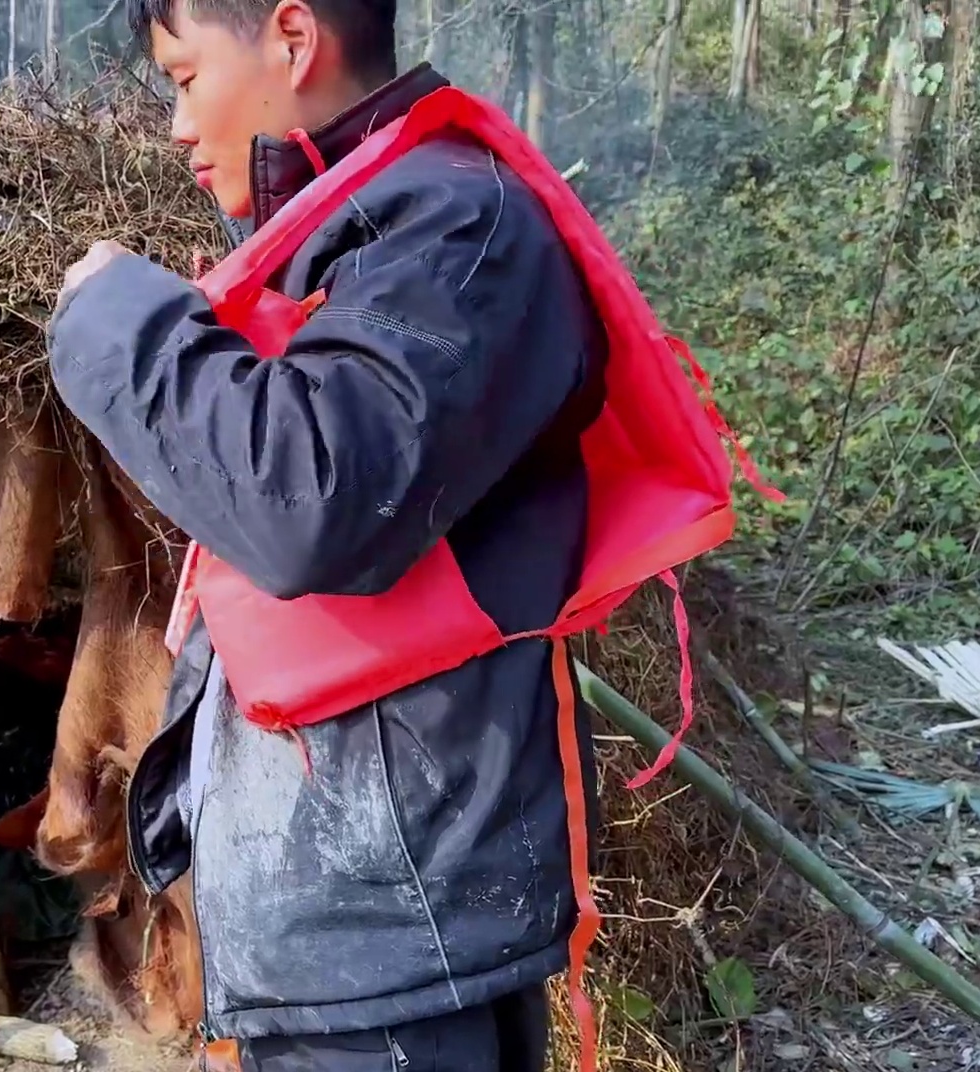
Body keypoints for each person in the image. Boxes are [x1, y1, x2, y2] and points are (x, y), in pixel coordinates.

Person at [45, 1, 609, 1068]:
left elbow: (307, 501)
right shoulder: (355, 235)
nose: (177, 123)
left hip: (390, 948)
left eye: (183, 76)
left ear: (293, 40)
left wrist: (111, 316)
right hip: (356, 934)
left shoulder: (455, 231)